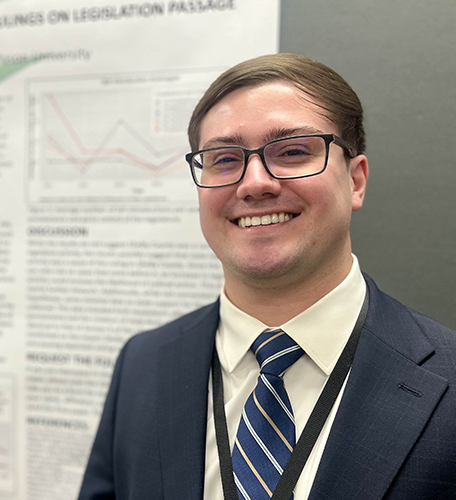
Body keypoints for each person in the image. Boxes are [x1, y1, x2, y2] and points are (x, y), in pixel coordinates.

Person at [78, 53, 456, 500]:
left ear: (355, 181)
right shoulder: (143, 364)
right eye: (223, 160)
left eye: (293, 151)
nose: (254, 183)